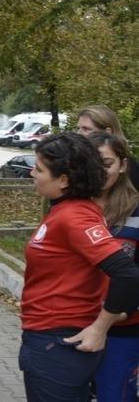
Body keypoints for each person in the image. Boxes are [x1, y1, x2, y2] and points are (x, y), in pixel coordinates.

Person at [17, 132, 139, 401]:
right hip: (50, 338)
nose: (32, 174)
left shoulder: (75, 217)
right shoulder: (68, 209)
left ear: (63, 179)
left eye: (39, 169)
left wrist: (100, 327)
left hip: (58, 343)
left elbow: (126, 273)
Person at [88, 131, 139, 402]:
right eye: (92, 164)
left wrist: (122, 312)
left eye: (106, 164)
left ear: (123, 165)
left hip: (124, 331)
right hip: (75, 325)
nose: (98, 173)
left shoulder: (137, 211)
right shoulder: (70, 207)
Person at [76, 104, 139, 189]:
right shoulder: (76, 163)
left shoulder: (131, 169)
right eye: (78, 128)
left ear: (107, 133)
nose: (78, 134)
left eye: (86, 129)